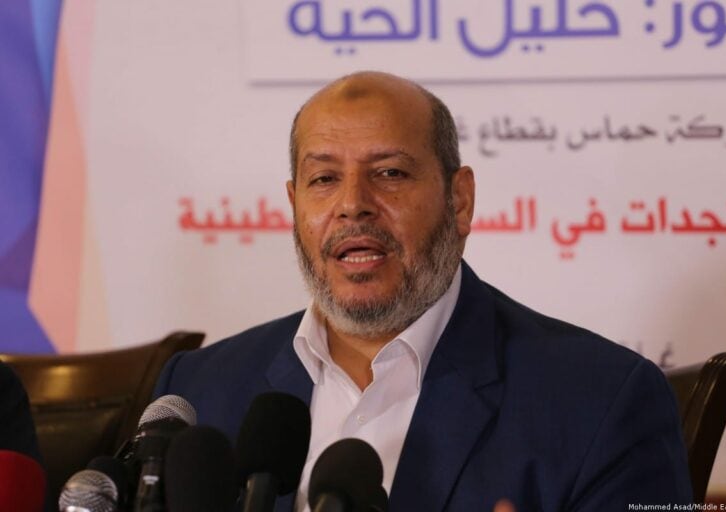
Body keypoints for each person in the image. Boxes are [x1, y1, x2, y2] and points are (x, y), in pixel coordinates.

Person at [154, 71, 693, 511]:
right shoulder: (197, 390)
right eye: (324, 179)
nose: (352, 204)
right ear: (294, 206)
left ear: (459, 201)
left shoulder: (600, 400)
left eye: (389, 173)